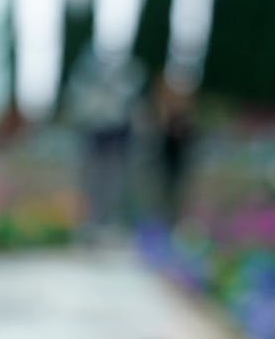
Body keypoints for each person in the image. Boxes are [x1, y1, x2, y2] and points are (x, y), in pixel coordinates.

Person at [66, 47, 143, 238]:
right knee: (93, 179)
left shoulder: (125, 77)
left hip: (115, 135)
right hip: (96, 133)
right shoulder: (86, 80)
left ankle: (111, 220)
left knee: (115, 179)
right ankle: (92, 221)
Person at [153, 69, 196, 225]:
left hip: (178, 150)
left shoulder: (185, 117)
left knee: (176, 184)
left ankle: (171, 217)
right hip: (166, 148)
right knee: (161, 184)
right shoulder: (165, 110)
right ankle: (162, 217)